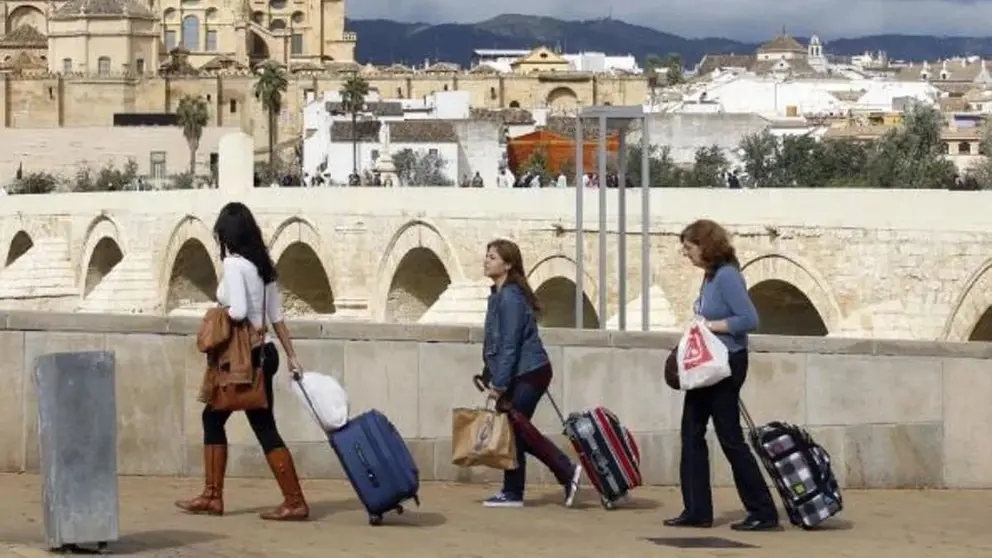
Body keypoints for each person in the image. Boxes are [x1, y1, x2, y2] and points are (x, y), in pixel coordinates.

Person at [175, 202, 310, 521]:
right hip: (265, 354)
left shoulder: (234, 264)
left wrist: (214, 315)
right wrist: (292, 357)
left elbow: (237, 312)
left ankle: (214, 497)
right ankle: (292, 500)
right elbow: (276, 317)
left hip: (242, 360)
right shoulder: (263, 267)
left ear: (227, 235)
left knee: (213, 419)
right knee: (262, 425)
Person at [665, 219, 779, 532]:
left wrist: (709, 326)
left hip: (726, 364)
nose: (686, 254)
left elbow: (749, 319)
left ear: (705, 246)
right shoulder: (710, 276)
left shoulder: (727, 276)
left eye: (689, 247)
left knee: (730, 438)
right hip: (708, 365)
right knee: (691, 433)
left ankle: (763, 511)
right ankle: (697, 510)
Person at [480, 238, 583, 508]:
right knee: (515, 431)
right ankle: (513, 492)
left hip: (529, 372)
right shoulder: (499, 295)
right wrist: (488, 373)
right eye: (487, 256)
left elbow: (510, 344)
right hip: (523, 372)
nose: (486, 260)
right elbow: (496, 343)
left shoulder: (510, 297)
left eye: (492, 257)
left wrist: (499, 384)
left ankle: (565, 470)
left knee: (517, 429)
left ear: (508, 265)